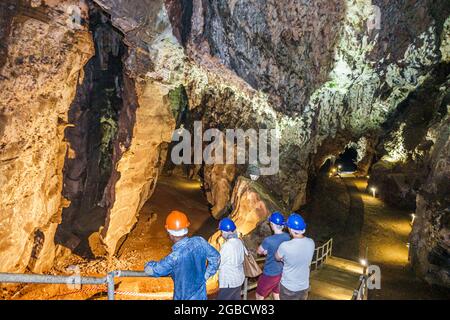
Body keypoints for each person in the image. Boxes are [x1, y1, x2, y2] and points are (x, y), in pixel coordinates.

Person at [144, 210, 220, 300]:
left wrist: (148, 264)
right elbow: (216, 257)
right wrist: (206, 275)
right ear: (186, 229)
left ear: (170, 234)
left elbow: (151, 271)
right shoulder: (199, 241)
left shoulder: (174, 258)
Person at [276, 213, 315, 300]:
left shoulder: (285, 246)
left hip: (288, 287)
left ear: (291, 229)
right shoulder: (311, 242)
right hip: (304, 287)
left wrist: (284, 258)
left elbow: (277, 257)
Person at [255, 212, 290, 300]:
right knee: (276, 294)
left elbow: (259, 251)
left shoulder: (269, 240)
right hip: (281, 272)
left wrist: (266, 251)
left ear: (272, 224)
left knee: (259, 295)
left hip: (270, 273)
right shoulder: (287, 237)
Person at [216, 217, 245, 300]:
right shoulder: (239, 242)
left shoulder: (227, 246)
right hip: (239, 279)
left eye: (221, 231)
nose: (221, 233)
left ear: (226, 231)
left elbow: (218, 263)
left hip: (229, 281)